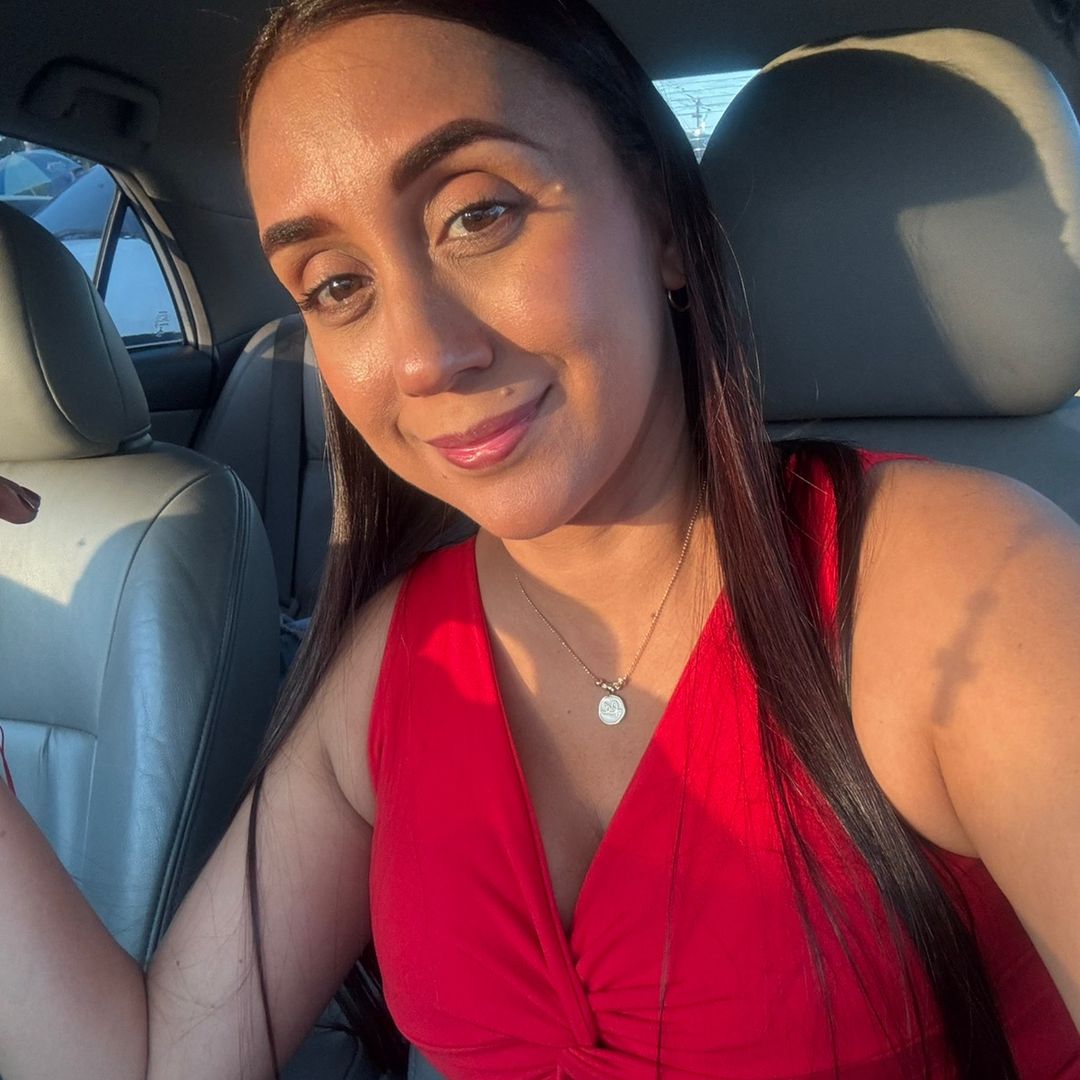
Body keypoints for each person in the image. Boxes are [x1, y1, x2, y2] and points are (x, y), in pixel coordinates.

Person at [1, 2, 1079, 1078]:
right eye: (337, 286)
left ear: (662, 220)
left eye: (480, 214)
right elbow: (161, 1064)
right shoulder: (392, 667)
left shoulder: (968, 589)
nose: (423, 357)